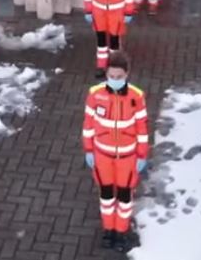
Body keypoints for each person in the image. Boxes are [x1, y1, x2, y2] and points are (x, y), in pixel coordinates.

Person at [81, 51, 149, 252]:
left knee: (125, 198)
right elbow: (88, 125)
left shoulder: (136, 97)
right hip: (102, 157)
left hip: (127, 158)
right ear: (107, 74)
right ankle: (108, 231)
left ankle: (121, 232)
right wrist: (89, 150)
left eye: (119, 77)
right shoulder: (95, 94)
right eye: (111, 76)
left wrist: (142, 155)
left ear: (127, 74)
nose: (115, 80)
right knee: (107, 196)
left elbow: (142, 129)